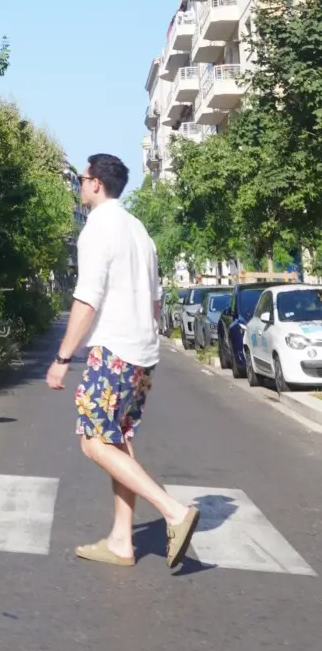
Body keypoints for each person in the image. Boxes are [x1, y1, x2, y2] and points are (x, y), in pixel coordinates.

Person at [46, 153, 200, 570]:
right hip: (141, 352)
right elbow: (154, 299)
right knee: (117, 439)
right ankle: (120, 541)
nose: (80, 186)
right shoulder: (138, 229)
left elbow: (87, 299)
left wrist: (63, 357)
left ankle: (173, 511)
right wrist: (145, 341)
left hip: (113, 350)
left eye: (81, 179)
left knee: (93, 442)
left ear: (96, 183)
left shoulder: (98, 229)